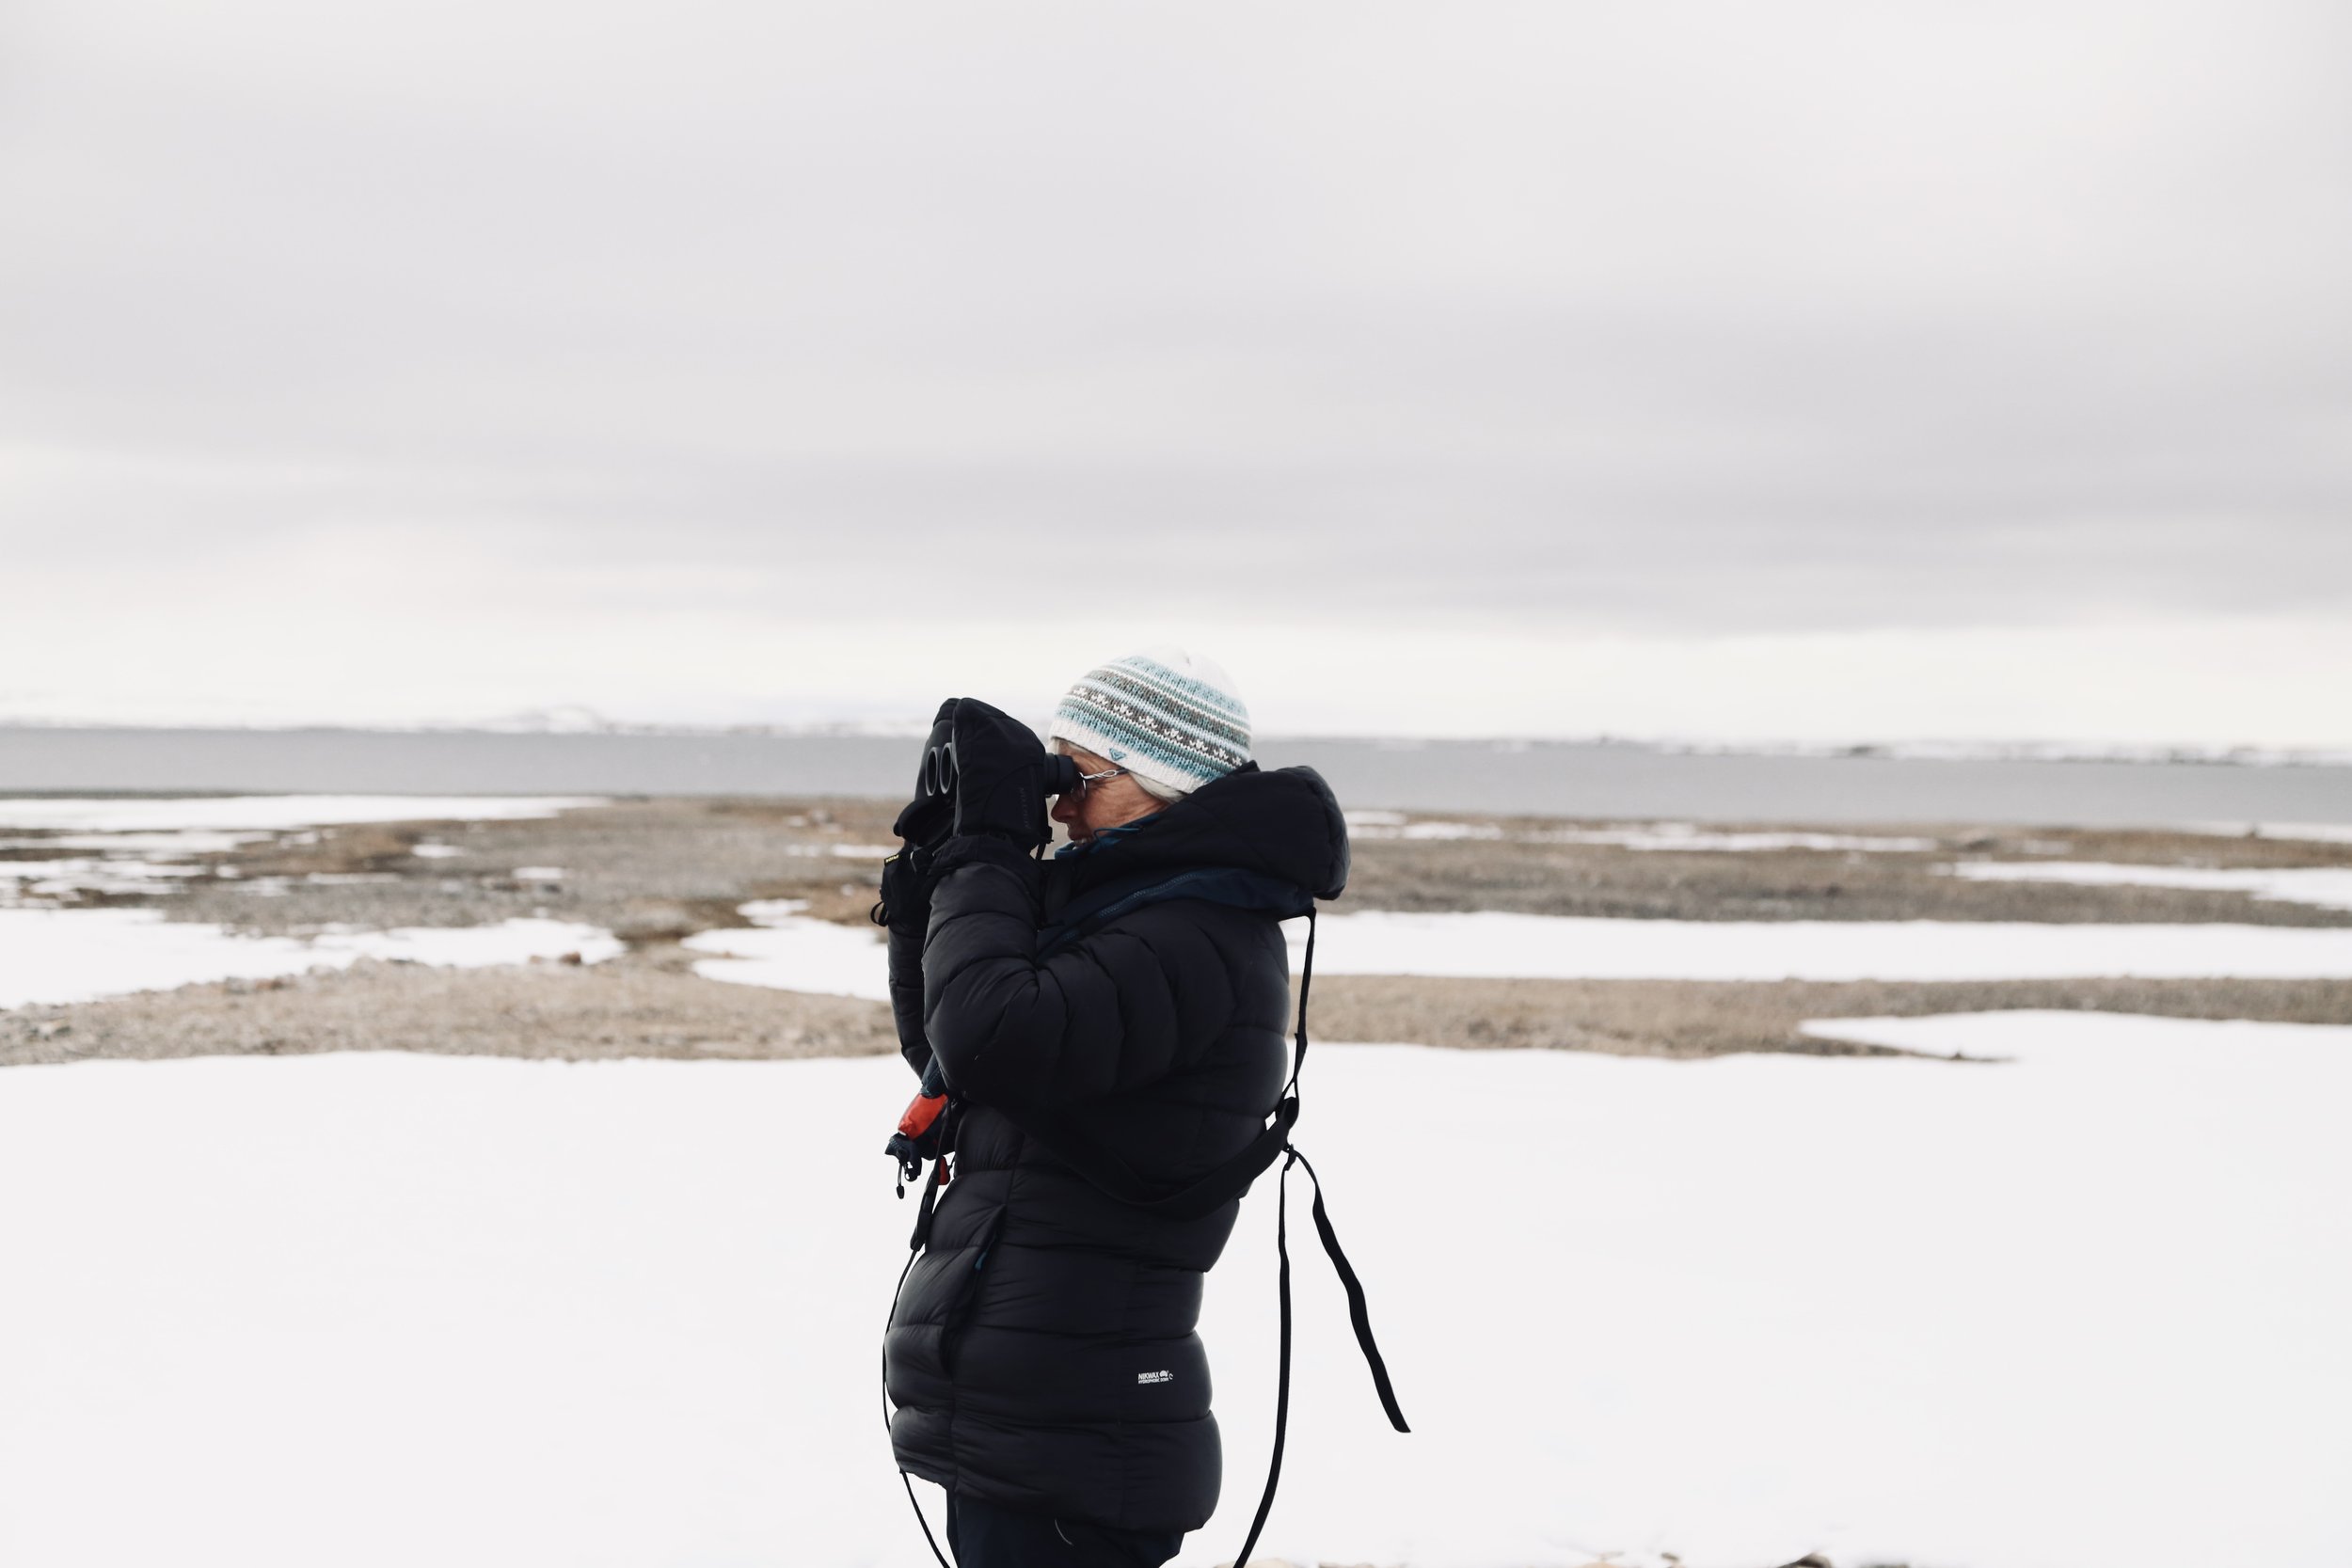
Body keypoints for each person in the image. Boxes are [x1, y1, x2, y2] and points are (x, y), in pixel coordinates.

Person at [878, 647, 1348, 1568]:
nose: (1055, 804)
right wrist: (930, 872)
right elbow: (952, 1058)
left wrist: (987, 848)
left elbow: (991, 1035)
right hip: (1040, 1423)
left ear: (1157, 779)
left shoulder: (1194, 932)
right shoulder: (1135, 915)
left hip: (1078, 1439)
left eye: (1076, 775)